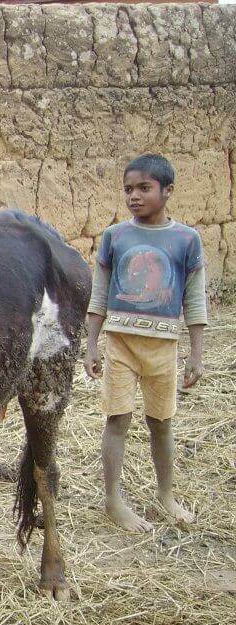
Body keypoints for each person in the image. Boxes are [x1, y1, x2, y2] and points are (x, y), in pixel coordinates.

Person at [83, 153, 207, 533]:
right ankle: (113, 501)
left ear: (167, 191)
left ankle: (166, 495)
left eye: (143, 188)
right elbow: (99, 295)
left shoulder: (186, 239)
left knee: (162, 423)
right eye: (128, 189)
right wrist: (91, 345)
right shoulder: (115, 236)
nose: (134, 196)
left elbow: (194, 298)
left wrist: (196, 354)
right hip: (120, 343)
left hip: (163, 347)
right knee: (116, 419)